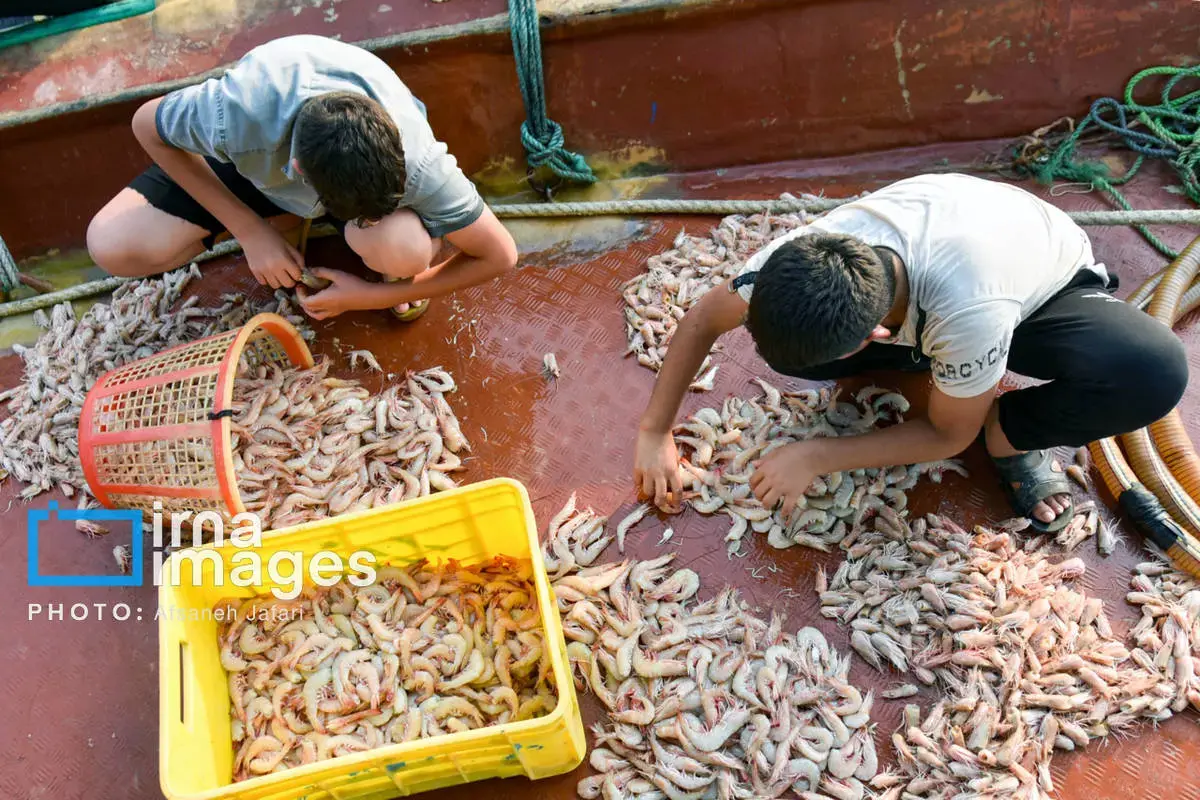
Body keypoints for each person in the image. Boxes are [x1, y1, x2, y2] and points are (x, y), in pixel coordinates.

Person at [632, 172, 1189, 533]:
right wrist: (654, 431)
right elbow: (706, 315)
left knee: (1154, 371)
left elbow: (948, 436)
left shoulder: (971, 310)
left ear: (873, 337)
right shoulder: (796, 261)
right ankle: (951, 379)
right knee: (794, 354)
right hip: (930, 292)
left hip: (1037, 290)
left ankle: (1009, 433)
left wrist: (818, 454)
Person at [87, 34, 517, 322]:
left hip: (340, 170)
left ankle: (313, 231)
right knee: (112, 246)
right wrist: (250, 232)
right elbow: (146, 123)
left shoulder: (417, 157)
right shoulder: (235, 114)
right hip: (256, 157)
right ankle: (281, 224)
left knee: (402, 249)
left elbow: (500, 255)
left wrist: (369, 297)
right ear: (297, 174)